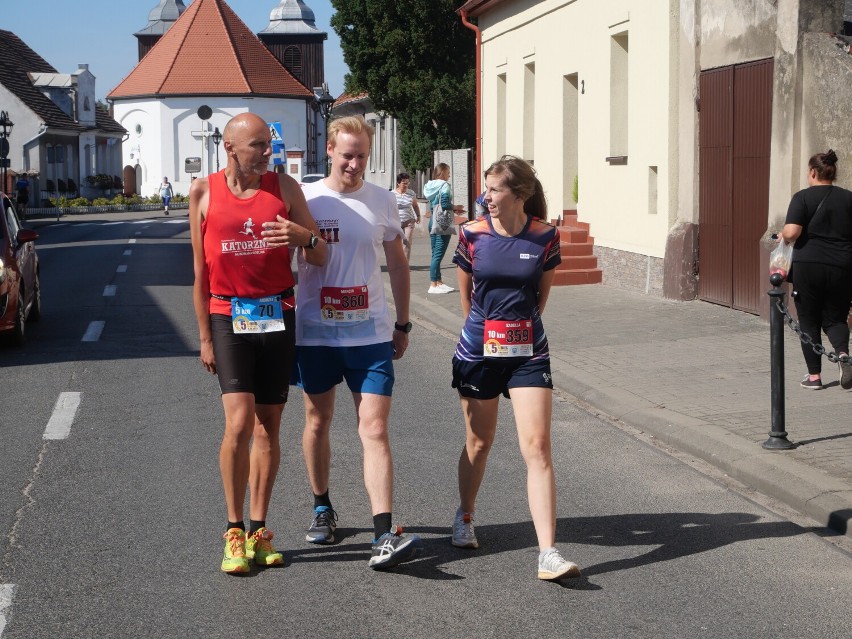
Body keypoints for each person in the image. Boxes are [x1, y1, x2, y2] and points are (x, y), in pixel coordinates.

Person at [267, 115, 422, 570]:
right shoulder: (307, 197)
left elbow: (396, 263)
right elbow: (278, 255)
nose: (354, 164)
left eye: (362, 156)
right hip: (315, 333)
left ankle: (383, 532)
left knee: (373, 428)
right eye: (347, 154)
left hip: (370, 333)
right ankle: (322, 507)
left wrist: (404, 323)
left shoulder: (382, 201)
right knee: (318, 420)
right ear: (330, 151)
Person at [189, 113, 327, 574]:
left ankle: (259, 530)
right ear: (230, 148)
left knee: (270, 423)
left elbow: (320, 251)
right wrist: (205, 337)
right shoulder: (204, 192)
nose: (269, 153)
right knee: (240, 420)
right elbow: (200, 274)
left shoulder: (285, 189)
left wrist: (302, 236)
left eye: (269, 145)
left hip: (277, 314)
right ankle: (232, 531)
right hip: (229, 314)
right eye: (259, 146)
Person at [449, 155, 581, 582]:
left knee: (538, 446)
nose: (486, 197)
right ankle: (465, 515)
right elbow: (467, 299)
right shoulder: (470, 234)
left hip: (528, 352)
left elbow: (540, 298)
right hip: (479, 351)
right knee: (479, 441)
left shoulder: (545, 237)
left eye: (495, 189)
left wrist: (516, 330)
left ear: (519, 194)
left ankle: (548, 553)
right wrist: (485, 332)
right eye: (485, 189)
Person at [781, 149, 852, 391]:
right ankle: (843, 356)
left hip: (809, 266)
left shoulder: (802, 197)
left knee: (809, 320)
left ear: (812, 172)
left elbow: (791, 232)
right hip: (842, 265)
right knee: (836, 318)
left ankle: (814, 377)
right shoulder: (848, 198)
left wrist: (783, 235)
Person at [423, 163, 461, 294]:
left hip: (433, 221)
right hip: (442, 223)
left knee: (435, 254)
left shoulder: (430, 186)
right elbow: (444, 204)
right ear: (443, 172)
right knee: (438, 255)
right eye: (448, 172)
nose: (449, 174)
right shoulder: (444, 185)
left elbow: (435, 205)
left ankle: (438, 282)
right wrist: (456, 208)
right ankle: (433, 284)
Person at [394, 172, 420, 261]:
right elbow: (388, 208)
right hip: (396, 221)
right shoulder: (392, 194)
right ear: (398, 183)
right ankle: (398, 262)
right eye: (404, 183)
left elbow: (415, 205)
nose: (406, 185)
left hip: (409, 220)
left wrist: (418, 216)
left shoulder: (411, 193)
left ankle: (405, 265)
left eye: (407, 183)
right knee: (396, 243)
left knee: (407, 242)